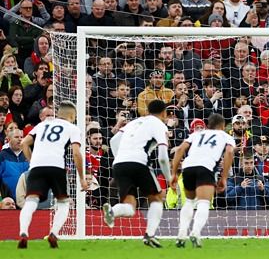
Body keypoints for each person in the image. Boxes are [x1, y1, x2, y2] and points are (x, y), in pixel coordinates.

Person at [103, 100, 173, 248]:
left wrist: (120, 158)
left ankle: (112, 210)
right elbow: (162, 156)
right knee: (157, 198)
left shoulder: (134, 122)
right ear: (163, 113)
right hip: (139, 163)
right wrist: (169, 178)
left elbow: (114, 140)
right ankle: (150, 235)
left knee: (130, 207)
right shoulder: (159, 124)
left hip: (120, 164)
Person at [17, 102, 87, 249]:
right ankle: (53, 233)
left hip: (37, 167)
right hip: (56, 167)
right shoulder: (72, 128)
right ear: (72, 115)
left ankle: (23, 232)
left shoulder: (42, 125)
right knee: (63, 202)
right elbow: (76, 153)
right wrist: (82, 178)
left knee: (31, 201)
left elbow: (24, 143)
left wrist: (32, 162)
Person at [169, 113, 234, 248]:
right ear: (222, 126)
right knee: (203, 202)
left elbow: (180, 149)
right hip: (205, 167)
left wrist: (173, 173)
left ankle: (181, 234)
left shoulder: (196, 134)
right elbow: (229, 152)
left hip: (188, 168)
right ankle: (195, 232)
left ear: (208, 125)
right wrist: (224, 178)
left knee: (190, 201)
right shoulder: (225, 136)